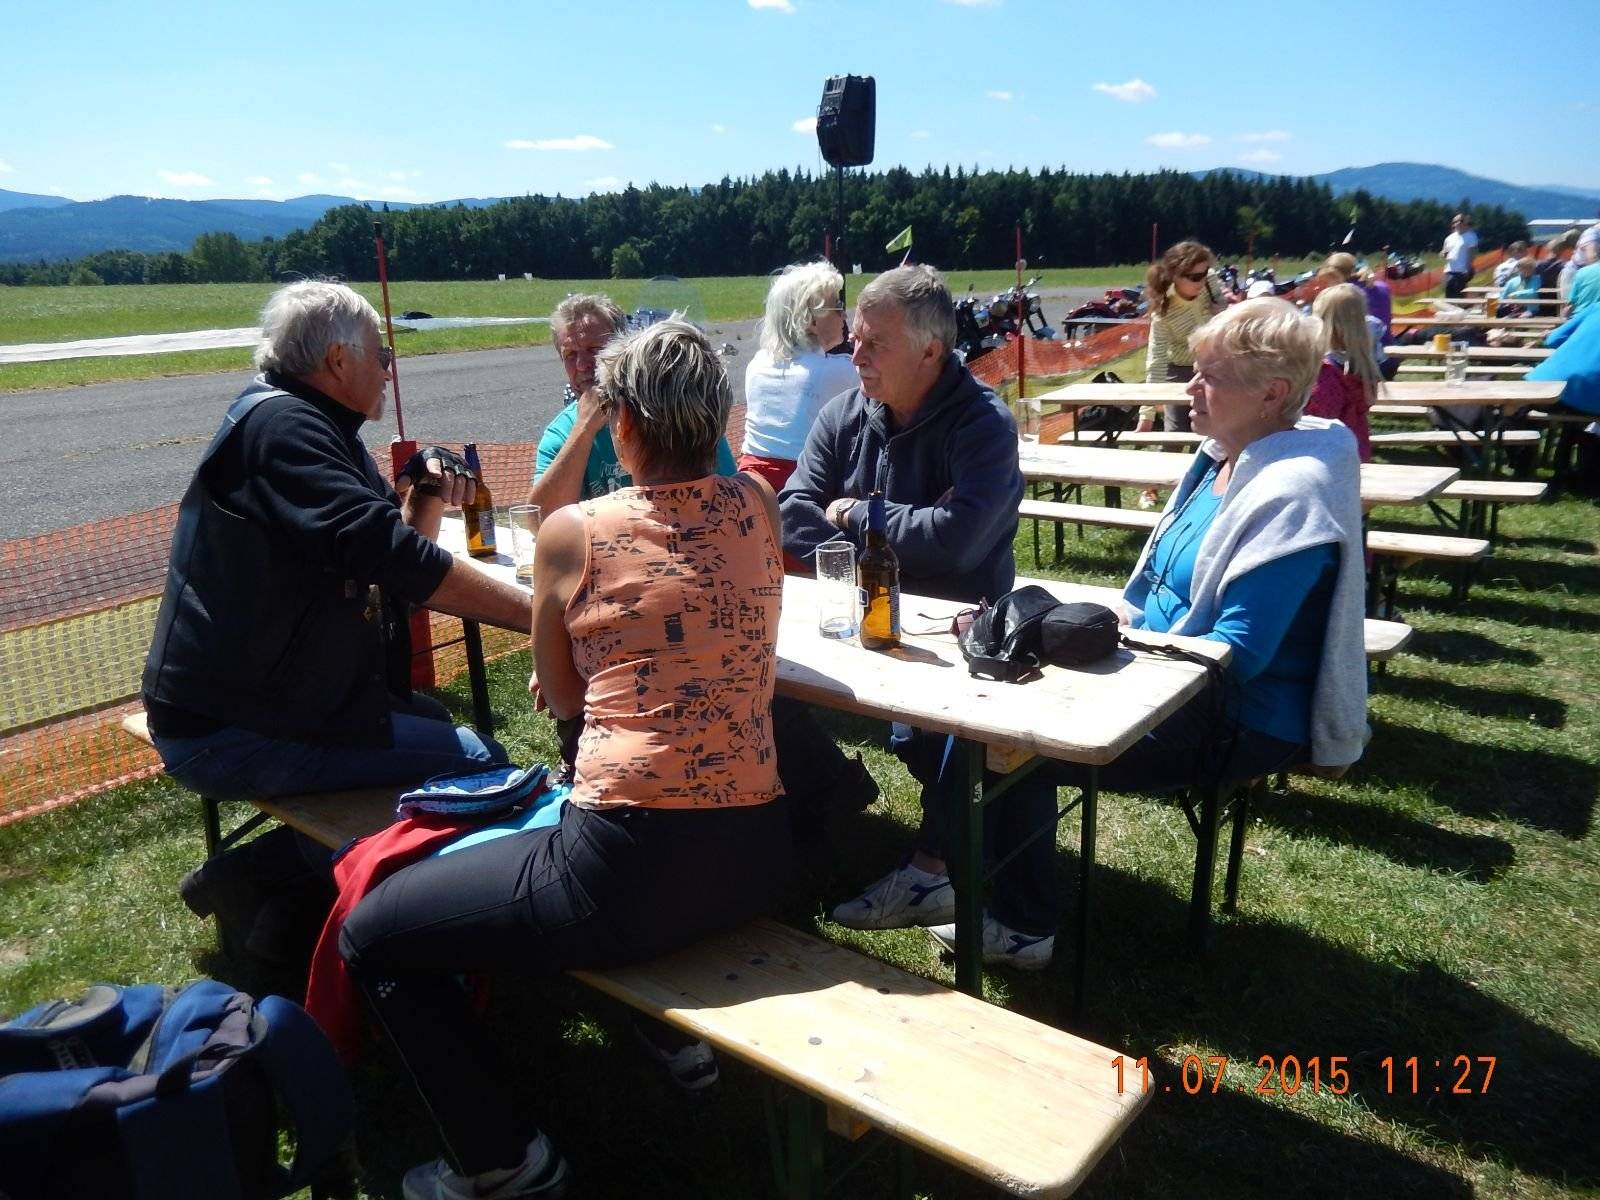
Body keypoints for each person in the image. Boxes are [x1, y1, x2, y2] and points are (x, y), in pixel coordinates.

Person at [340, 320, 793, 1200]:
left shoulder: (573, 531)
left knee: (374, 935)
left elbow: (563, 694)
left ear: (622, 422)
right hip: (759, 852)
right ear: (715, 419)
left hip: (625, 864)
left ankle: (500, 1158)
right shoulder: (759, 509)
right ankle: (658, 1036)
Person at [908, 299, 1369, 970]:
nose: (1189, 385)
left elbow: (1237, 654)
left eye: (1210, 375)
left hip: (1237, 716)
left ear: (1272, 393)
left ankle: (1017, 921)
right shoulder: (1221, 460)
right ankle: (972, 886)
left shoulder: (1292, 491)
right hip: (1168, 679)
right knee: (974, 713)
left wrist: (1109, 655)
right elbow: (1152, 590)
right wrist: (1101, 627)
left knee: (1002, 743)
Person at [141, 281, 531, 803]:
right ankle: (274, 879)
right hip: (230, 728)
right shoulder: (282, 429)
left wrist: (430, 486)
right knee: (482, 762)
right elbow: (398, 558)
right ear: (338, 360)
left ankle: (311, 871)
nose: (389, 370)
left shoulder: (314, 425)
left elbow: (394, 562)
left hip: (277, 702)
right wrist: (541, 616)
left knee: (434, 717)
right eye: (382, 354)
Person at [778, 265, 1036, 949]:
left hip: (960, 634)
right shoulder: (845, 413)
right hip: (858, 621)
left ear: (931, 350)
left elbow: (960, 542)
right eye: (854, 339)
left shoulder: (983, 426)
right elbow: (792, 514)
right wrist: (898, 527)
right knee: (763, 683)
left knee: (951, 743)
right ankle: (807, 826)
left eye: (873, 344)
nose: (854, 355)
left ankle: (932, 869)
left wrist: (858, 512)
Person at [528, 293, 736, 510]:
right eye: (570, 355)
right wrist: (583, 430)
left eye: (594, 350)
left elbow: (726, 494)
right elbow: (539, 519)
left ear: (623, 348)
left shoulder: (672, 409)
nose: (582, 365)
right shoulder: (562, 433)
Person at [738, 260, 859, 494]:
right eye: (837, 306)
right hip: (803, 487)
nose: (844, 314)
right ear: (810, 321)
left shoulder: (757, 363)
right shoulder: (838, 371)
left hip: (751, 486)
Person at [1139, 240, 1229, 433]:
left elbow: (1225, 313)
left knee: (1215, 432)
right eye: (1195, 277)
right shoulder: (1162, 312)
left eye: (1205, 273)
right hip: (1179, 370)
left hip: (1214, 367)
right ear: (1175, 276)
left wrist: (1223, 310)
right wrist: (1147, 415)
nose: (1203, 280)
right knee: (1176, 433)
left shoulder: (1210, 281)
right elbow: (1156, 362)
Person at [1307, 284, 1381, 461]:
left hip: (1328, 460)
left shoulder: (1326, 373)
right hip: (1355, 452)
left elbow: (1316, 422)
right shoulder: (1362, 366)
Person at [1441, 213, 1480, 299]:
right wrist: (1443, 254)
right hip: (1449, 270)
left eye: (1461, 221)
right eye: (1456, 221)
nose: (1459, 223)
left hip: (1462, 271)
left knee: (1459, 296)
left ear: (1465, 222)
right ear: (1453, 224)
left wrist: (1468, 268)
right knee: (1449, 296)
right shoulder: (1449, 238)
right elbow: (1443, 253)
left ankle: (1461, 310)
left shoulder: (1471, 236)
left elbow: (1472, 253)